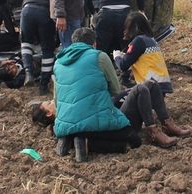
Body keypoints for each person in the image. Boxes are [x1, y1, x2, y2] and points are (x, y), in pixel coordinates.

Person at [42, 27, 140, 162]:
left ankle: (69, 139)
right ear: (94, 43)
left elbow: (57, 98)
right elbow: (116, 90)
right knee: (133, 138)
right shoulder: (99, 56)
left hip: (64, 123)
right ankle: (87, 142)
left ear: (73, 42)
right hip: (93, 119)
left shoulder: (58, 62)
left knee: (82, 125)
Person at [31, 79, 189, 154]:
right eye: (48, 103)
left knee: (151, 85)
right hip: (118, 123)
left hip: (114, 114)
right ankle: (154, 132)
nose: (52, 100)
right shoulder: (65, 122)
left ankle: (167, 123)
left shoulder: (68, 112)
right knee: (141, 89)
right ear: (49, 113)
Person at [112, 11, 173, 94]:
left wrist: (117, 56)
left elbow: (123, 65)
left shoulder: (138, 41)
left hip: (150, 86)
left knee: (119, 98)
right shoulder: (151, 40)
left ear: (132, 28)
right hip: (162, 84)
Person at [19, 0, 58, 95]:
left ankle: (28, 73)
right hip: (44, 11)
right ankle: (43, 85)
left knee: (26, 44)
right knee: (47, 51)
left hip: (26, 10)